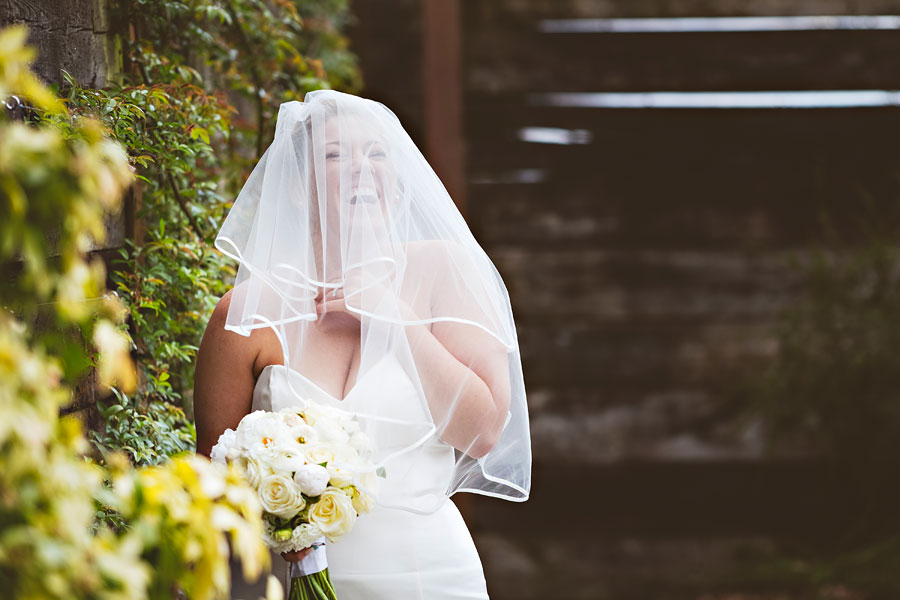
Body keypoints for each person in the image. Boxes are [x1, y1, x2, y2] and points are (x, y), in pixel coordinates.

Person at [194, 90, 530, 599]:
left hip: (432, 578)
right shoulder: (242, 316)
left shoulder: (445, 272)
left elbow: (482, 430)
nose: (361, 168)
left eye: (377, 154)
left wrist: (389, 314)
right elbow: (214, 493)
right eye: (335, 155)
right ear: (294, 186)